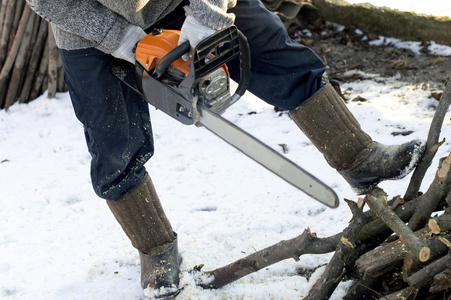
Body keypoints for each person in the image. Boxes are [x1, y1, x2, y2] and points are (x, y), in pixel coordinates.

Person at [26, 0, 425, 298]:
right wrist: (123, 40)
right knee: (112, 143)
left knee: (276, 56)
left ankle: (358, 157)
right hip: (89, 28)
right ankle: (156, 247)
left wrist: (207, 15)